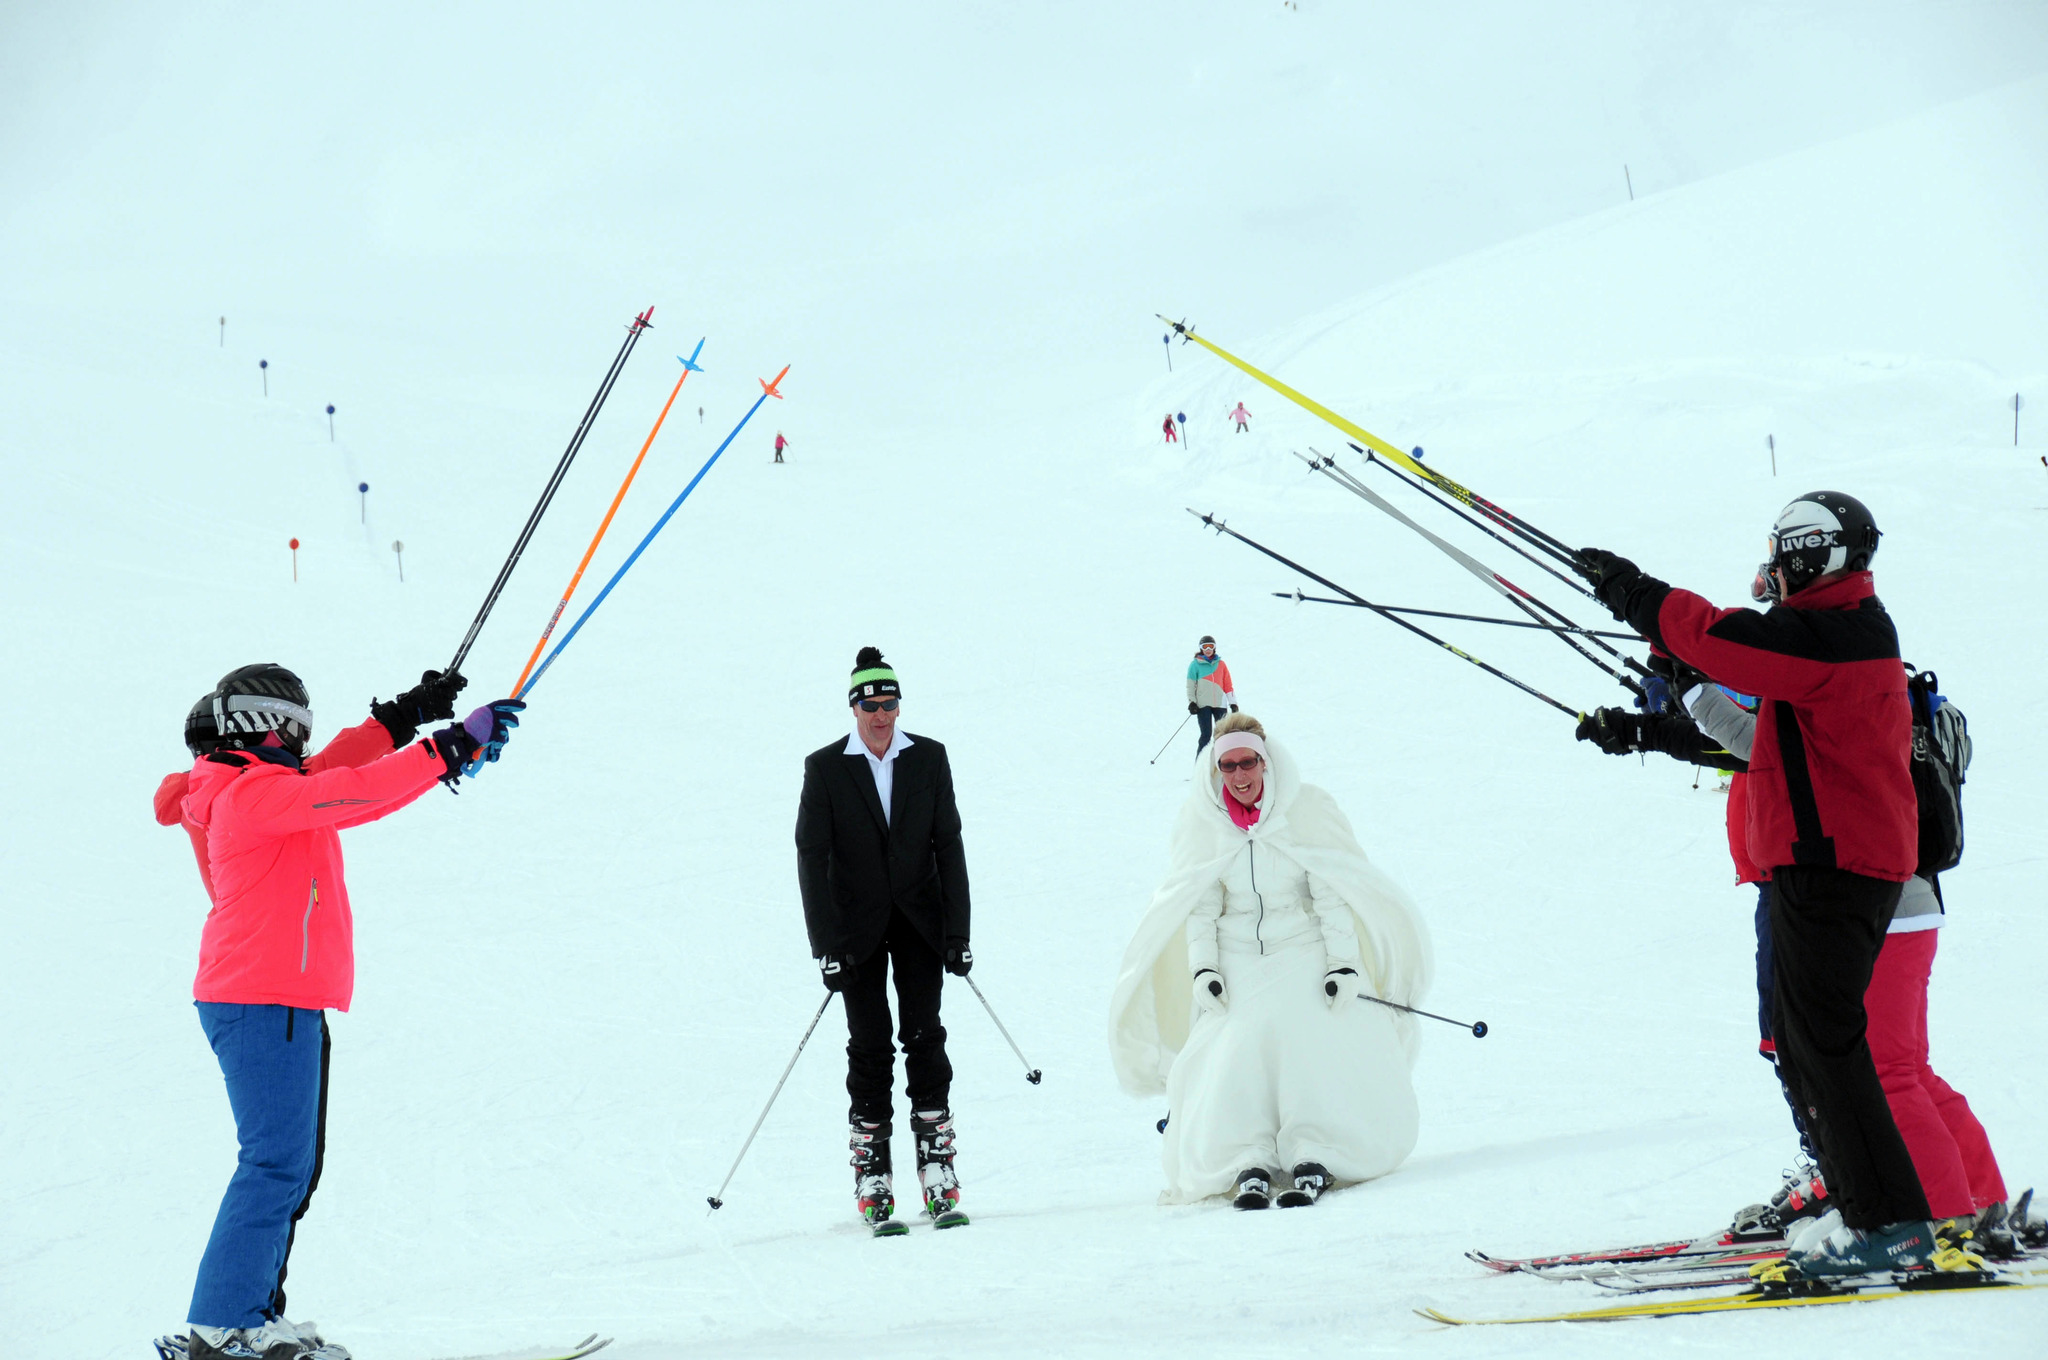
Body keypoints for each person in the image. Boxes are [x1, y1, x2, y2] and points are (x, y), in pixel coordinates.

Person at [1575, 490, 1948, 1279]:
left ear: (1814, 553)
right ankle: (1865, 1213)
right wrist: (1655, 713)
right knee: (1809, 1048)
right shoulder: (1830, 635)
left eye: (1784, 552)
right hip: (1820, 863)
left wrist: (1637, 594)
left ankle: (1892, 1226)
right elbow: (1748, 728)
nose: (1775, 567)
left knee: (1828, 1048)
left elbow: (1724, 641)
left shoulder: (1835, 632)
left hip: (1836, 866)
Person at [153, 665, 524, 1360]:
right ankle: (225, 1323)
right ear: (264, 724)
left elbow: (333, 773)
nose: (301, 738)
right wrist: (444, 750)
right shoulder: (251, 796)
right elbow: (351, 793)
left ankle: (247, 1314)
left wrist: (403, 720)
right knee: (273, 1166)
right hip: (262, 996)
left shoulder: (245, 787)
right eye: (294, 724)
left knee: (289, 1166)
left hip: (266, 995)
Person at [1579, 661, 2014, 1248]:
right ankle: (1979, 1200)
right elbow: (1737, 743)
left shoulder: (1822, 707)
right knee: (1906, 1068)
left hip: (1865, 902)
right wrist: (1651, 725)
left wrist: (1690, 691)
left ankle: (1942, 1216)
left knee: (1883, 1072)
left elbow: (1747, 741)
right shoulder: (1843, 696)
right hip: (1897, 901)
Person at [1108, 713, 1432, 1208]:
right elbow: (1199, 906)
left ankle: (1316, 1153)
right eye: (1228, 766)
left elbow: (1331, 894)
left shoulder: (1305, 811)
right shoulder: (1201, 821)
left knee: (1311, 1033)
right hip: (1237, 954)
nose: (1239, 776)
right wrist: (1205, 971)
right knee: (1233, 1044)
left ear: (1265, 760)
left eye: (1248, 763)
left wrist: (1342, 965)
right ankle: (1247, 1161)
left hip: (1302, 945)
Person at [795, 647, 973, 1232]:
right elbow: (811, 855)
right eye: (870, 705)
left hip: (920, 923)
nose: (880, 715)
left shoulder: (929, 758)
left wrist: (957, 931)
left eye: (889, 704)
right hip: (856, 932)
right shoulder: (826, 767)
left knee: (925, 1038)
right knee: (869, 1046)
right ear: (854, 707)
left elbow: (948, 843)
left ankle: (937, 1167)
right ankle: (873, 1172)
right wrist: (825, 942)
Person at [1185, 636, 1237, 754]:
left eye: (1211, 646)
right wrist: (1192, 702)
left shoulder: (1221, 664)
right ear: (1201, 648)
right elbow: (1190, 685)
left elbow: (1228, 685)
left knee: (1223, 734)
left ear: (1214, 648)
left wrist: (1233, 703)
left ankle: (1223, 762)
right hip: (1203, 705)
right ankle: (1200, 765)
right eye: (1205, 647)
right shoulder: (1195, 665)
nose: (1208, 649)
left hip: (1220, 704)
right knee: (1206, 735)